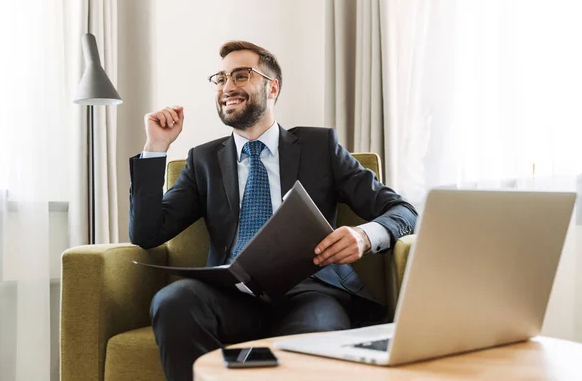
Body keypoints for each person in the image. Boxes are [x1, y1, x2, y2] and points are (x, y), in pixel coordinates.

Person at [129, 40, 418, 380]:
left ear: (272, 86)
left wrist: (364, 236)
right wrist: (155, 148)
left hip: (311, 293)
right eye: (220, 79)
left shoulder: (319, 147)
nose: (228, 87)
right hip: (231, 297)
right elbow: (147, 234)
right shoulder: (203, 160)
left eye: (240, 76)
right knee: (173, 301)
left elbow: (402, 210)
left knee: (314, 339)